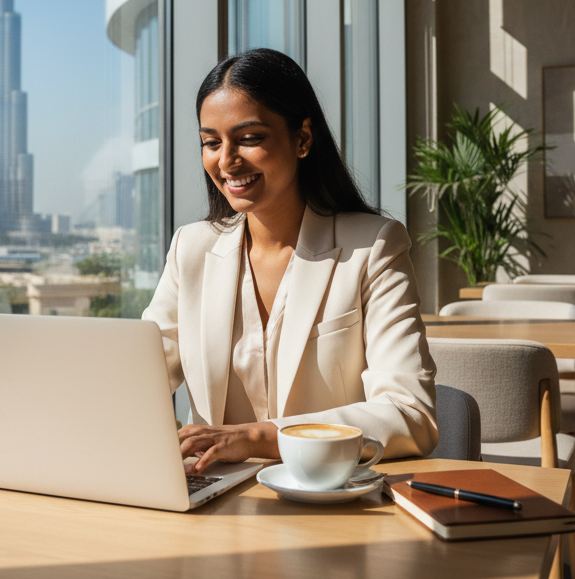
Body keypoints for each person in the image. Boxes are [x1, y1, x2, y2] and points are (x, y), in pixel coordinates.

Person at [142, 48, 437, 474]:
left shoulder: (373, 247)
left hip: (330, 501)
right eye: (211, 142)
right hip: (209, 497)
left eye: (249, 138)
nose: (226, 160)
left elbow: (411, 416)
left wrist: (255, 437)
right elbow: (135, 380)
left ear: (302, 139)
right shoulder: (191, 249)